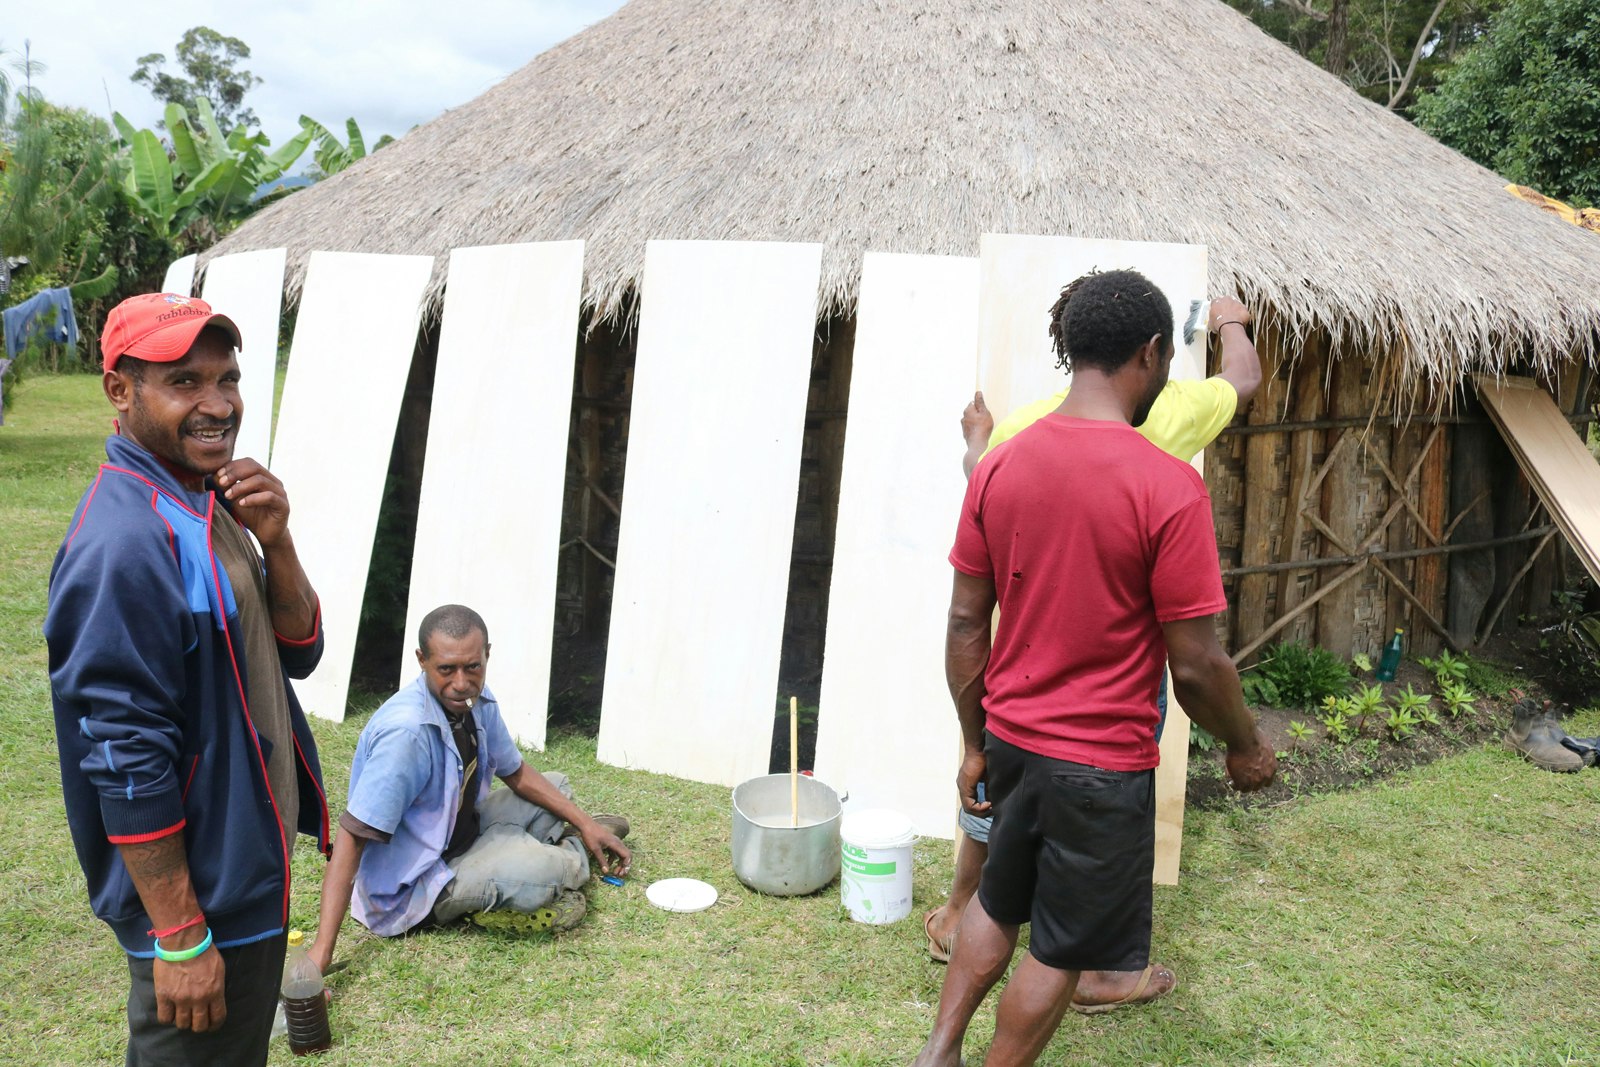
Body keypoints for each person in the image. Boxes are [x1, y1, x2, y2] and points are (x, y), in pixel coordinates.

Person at [911, 269, 1276, 1067]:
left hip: (1011, 737)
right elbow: (1198, 664)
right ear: (1151, 352)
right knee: (1061, 948)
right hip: (1100, 764)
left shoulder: (1000, 464)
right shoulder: (1168, 486)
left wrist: (974, 741)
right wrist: (1246, 745)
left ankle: (938, 1052)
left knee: (998, 897)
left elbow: (967, 622)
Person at [46, 292, 330, 1066]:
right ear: (120, 389)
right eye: (184, 382)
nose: (217, 404)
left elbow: (297, 650)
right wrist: (178, 936)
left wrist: (278, 542)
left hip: (247, 877)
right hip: (204, 906)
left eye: (227, 378)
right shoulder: (127, 541)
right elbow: (125, 755)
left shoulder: (207, 498)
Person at [309, 604, 631, 974]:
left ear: (486, 656)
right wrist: (322, 952)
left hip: (463, 831)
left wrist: (587, 821)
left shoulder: (473, 699)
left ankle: (565, 838)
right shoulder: (406, 735)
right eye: (446, 669)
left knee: (557, 785)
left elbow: (517, 773)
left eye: (472, 667)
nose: (461, 682)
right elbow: (351, 838)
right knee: (547, 869)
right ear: (422, 660)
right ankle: (561, 853)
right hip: (424, 879)